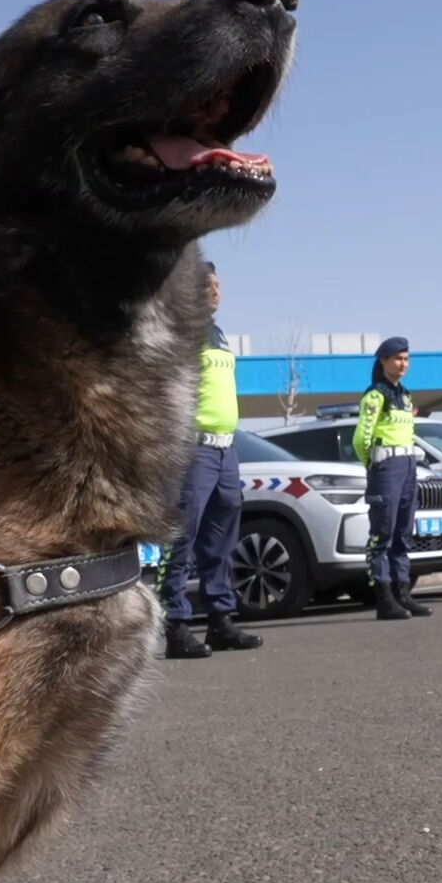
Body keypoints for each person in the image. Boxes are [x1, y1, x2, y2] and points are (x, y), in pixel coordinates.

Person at [155, 263, 262, 659]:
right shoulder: (179, 330)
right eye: (206, 285)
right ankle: (176, 626)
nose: (214, 291)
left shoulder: (218, 335)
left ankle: (221, 620)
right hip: (193, 450)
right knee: (183, 535)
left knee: (221, 538)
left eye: (218, 285)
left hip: (226, 451)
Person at [353, 336, 432, 621]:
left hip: (408, 466)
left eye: (406, 359)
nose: (403, 364)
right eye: (397, 358)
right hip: (386, 468)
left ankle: (403, 595)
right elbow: (361, 437)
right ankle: (384, 598)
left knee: (403, 533)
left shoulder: (405, 395)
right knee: (382, 534)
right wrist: (372, 464)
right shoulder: (376, 395)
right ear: (384, 361)